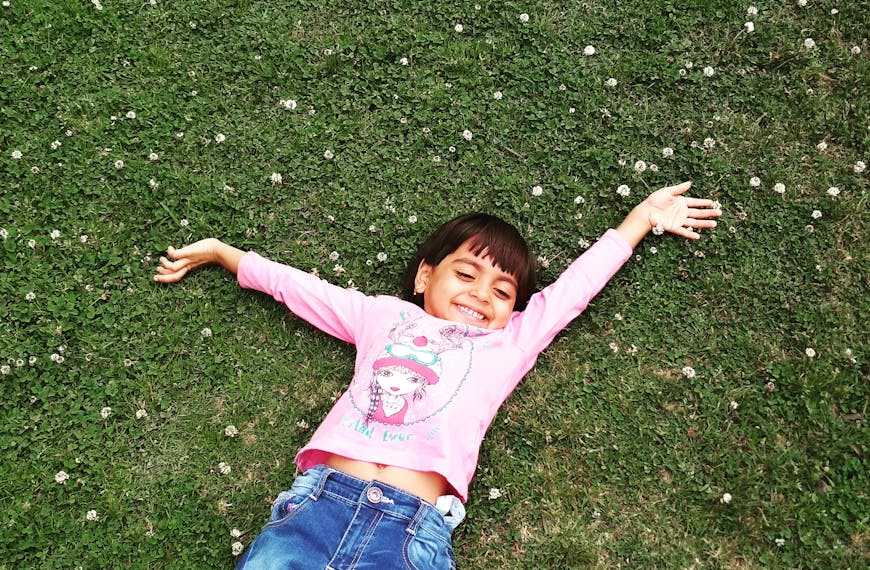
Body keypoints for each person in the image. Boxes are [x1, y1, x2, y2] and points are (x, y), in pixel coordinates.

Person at [154, 181, 720, 569]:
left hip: (410, 532)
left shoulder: (510, 341)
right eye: (466, 274)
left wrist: (641, 219)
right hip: (315, 509)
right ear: (424, 277)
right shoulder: (382, 315)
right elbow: (300, 289)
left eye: (503, 290)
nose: (482, 294)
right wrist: (225, 253)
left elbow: (575, 289)